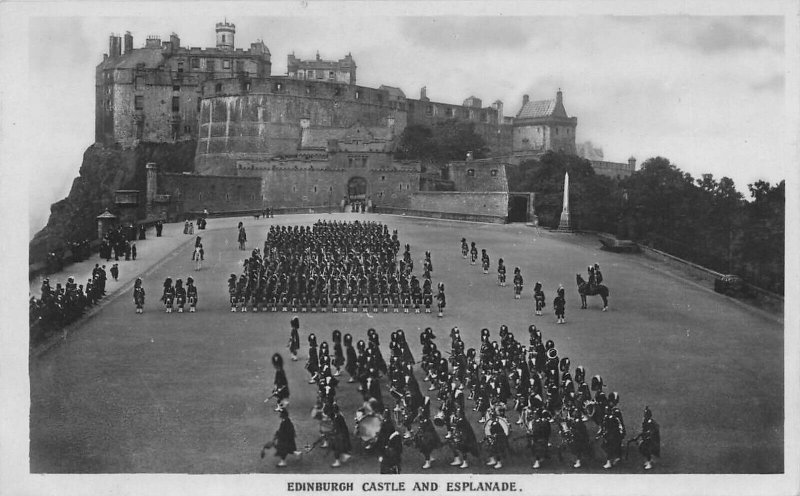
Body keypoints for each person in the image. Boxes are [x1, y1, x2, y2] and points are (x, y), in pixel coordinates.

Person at [634, 406, 660, 470]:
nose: (644, 416)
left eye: (645, 415)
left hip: (651, 439)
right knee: (642, 448)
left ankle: (649, 463)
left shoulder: (651, 422)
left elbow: (653, 431)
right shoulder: (645, 421)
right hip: (646, 438)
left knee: (646, 448)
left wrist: (648, 436)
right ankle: (649, 460)